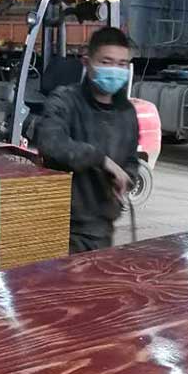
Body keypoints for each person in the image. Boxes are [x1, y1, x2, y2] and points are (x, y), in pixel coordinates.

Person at [34, 26, 138, 254]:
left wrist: (127, 178)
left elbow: (131, 160)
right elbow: (51, 144)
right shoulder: (65, 101)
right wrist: (101, 159)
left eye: (121, 64)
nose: (114, 70)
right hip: (62, 226)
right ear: (87, 62)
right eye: (106, 62)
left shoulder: (126, 112)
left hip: (101, 230)